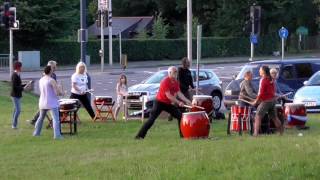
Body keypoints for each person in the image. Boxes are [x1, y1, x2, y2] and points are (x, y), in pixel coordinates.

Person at [135, 66, 192, 139]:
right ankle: (139, 136)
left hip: (167, 104)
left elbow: (179, 93)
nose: (176, 73)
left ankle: (182, 136)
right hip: (159, 102)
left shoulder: (176, 82)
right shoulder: (165, 81)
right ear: (169, 73)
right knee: (151, 119)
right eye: (174, 72)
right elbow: (169, 96)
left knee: (180, 116)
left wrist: (187, 101)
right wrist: (178, 102)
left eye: (176, 72)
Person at [33, 66, 63, 139]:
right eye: (52, 69)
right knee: (56, 119)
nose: (53, 71)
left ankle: (36, 133)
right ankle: (57, 135)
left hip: (42, 101)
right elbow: (57, 93)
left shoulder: (41, 80)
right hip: (51, 102)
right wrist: (61, 90)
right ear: (50, 71)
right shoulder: (51, 80)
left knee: (41, 117)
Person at [252, 66, 283, 136]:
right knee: (274, 118)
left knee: (258, 116)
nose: (259, 71)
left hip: (266, 101)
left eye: (260, 70)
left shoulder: (263, 80)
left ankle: (255, 134)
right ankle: (281, 133)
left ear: (263, 71)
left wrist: (256, 101)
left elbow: (261, 93)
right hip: (272, 101)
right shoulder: (270, 79)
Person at [28, 60, 58, 125]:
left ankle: (34, 121)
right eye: (54, 67)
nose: (55, 68)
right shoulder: (45, 75)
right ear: (50, 67)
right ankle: (35, 120)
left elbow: (55, 85)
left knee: (43, 111)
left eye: (55, 67)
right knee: (45, 111)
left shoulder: (54, 75)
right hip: (47, 96)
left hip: (51, 96)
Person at [10, 61, 30, 129]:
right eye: (21, 66)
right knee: (18, 110)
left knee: (15, 109)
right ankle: (14, 125)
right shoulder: (14, 75)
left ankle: (13, 124)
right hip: (15, 95)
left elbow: (18, 84)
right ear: (18, 67)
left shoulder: (18, 74)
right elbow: (14, 86)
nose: (22, 68)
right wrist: (23, 88)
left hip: (18, 95)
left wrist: (26, 84)